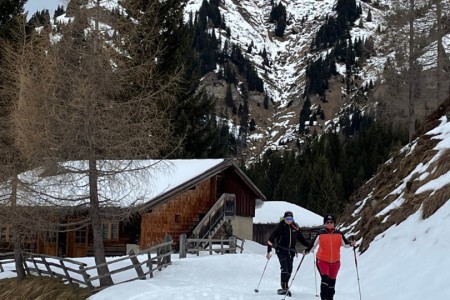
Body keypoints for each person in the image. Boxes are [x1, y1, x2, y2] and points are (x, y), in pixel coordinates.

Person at [305, 214, 356, 300]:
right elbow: (313, 245)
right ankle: (323, 298)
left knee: (332, 283)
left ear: (334, 223)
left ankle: (330, 298)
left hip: (335, 263)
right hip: (322, 261)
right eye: (327, 222)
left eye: (331, 222)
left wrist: (351, 244)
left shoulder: (339, 234)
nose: (329, 224)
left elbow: (346, 244)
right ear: (324, 223)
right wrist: (307, 250)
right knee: (325, 279)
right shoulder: (320, 233)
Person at [266, 211, 310, 296]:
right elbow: (271, 239)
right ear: (284, 218)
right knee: (285, 269)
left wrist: (310, 246)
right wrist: (269, 251)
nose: (289, 220)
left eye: (290, 219)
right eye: (287, 219)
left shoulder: (295, 227)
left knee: (289, 270)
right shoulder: (280, 226)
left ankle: (285, 285)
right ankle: (284, 288)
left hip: (291, 252)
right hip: (281, 250)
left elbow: (302, 239)